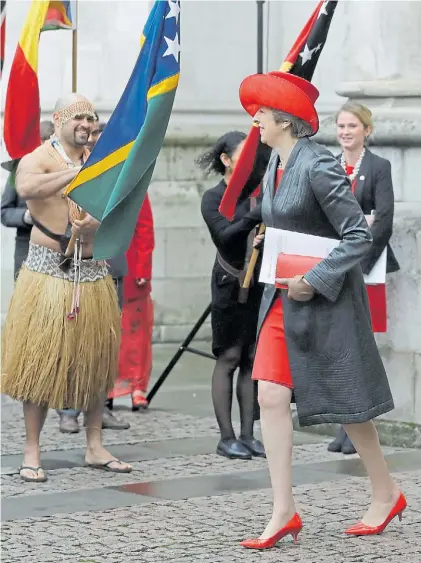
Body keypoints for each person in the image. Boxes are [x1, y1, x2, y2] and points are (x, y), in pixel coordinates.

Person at [229, 71, 406, 549]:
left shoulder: (319, 165)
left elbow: (358, 235)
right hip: (281, 297)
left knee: (348, 406)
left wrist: (314, 279)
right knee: (269, 396)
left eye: (261, 113)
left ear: (284, 119)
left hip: (323, 300)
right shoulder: (275, 164)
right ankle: (283, 509)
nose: (255, 121)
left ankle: (385, 491)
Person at [1, 93, 132, 482]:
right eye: (78, 118)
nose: (86, 125)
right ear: (58, 119)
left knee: (95, 360)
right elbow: (27, 188)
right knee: (38, 363)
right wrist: (75, 175)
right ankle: (31, 452)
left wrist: (97, 223)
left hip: (93, 271)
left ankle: (94, 445)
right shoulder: (38, 157)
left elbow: (122, 206)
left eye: (91, 119)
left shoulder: (101, 159)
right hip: (45, 272)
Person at [328, 102, 400, 455]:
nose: (345, 132)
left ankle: (359, 428)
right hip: (335, 266)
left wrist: (358, 260)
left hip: (366, 268)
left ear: (366, 130)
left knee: (362, 348)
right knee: (341, 347)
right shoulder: (328, 165)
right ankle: (345, 427)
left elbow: (383, 220)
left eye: (352, 126)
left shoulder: (379, 167)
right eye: (341, 125)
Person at [198, 132, 270, 460]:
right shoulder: (214, 197)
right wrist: (255, 217)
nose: (249, 161)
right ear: (226, 160)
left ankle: (247, 434)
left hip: (258, 283)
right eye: (242, 154)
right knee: (229, 357)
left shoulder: (257, 193)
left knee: (252, 359)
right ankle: (226, 437)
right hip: (229, 282)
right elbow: (225, 236)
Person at [57, 116, 130, 433]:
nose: (95, 136)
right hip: (75, 264)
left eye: (100, 130)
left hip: (109, 263)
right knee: (73, 340)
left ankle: (104, 407)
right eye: (92, 131)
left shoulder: (117, 171)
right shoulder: (65, 168)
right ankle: (69, 409)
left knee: (108, 342)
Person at [108, 194, 155, 410]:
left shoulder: (137, 187)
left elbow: (145, 227)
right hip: (104, 267)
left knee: (137, 335)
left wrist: (144, 268)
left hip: (132, 269)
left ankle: (137, 388)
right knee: (108, 334)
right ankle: (107, 388)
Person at [1, 121, 55, 278]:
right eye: (43, 141)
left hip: (59, 254)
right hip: (26, 251)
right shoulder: (19, 169)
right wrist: (26, 217)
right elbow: (4, 212)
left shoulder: (65, 168)